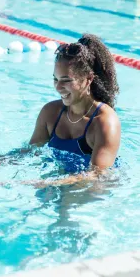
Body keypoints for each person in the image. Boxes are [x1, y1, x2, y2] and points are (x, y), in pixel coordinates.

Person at [27, 34, 121, 186]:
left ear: (88, 79)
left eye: (66, 80)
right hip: (59, 178)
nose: (58, 88)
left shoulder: (104, 122)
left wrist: (48, 183)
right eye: (55, 79)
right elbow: (29, 151)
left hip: (94, 189)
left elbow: (97, 175)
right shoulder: (50, 112)